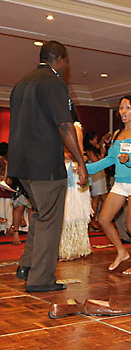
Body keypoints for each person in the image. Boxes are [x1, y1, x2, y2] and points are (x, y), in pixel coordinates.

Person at [8, 40, 88, 292]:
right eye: (66, 61)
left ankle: (26, 266)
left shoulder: (21, 84)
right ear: (60, 59)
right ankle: (41, 278)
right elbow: (65, 125)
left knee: (40, 215)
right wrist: (81, 162)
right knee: (50, 219)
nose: (66, 67)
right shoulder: (54, 82)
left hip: (22, 165)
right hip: (44, 164)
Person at [86, 95, 131, 275]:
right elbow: (109, 159)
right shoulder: (117, 134)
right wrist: (86, 168)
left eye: (127, 108)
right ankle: (122, 252)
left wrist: (130, 159)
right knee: (103, 219)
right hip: (120, 183)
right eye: (121, 108)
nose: (123, 111)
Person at [58, 107, 92, 261]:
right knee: (63, 213)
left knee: (73, 212)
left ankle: (74, 249)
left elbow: (79, 154)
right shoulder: (58, 128)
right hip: (61, 172)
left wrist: (59, 154)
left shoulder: (76, 128)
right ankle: (63, 248)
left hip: (72, 172)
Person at [83, 131, 109, 231]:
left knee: (103, 199)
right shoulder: (89, 151)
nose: (96, 142)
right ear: (90, 141)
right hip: (95, 177)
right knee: (96, 200)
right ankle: (92, 222)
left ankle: (100, 220)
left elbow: (99, 145)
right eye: (95, 140)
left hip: (99, 176)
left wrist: (104, 138)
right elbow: (97, 163)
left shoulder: (93, 148)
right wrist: (102, 155)